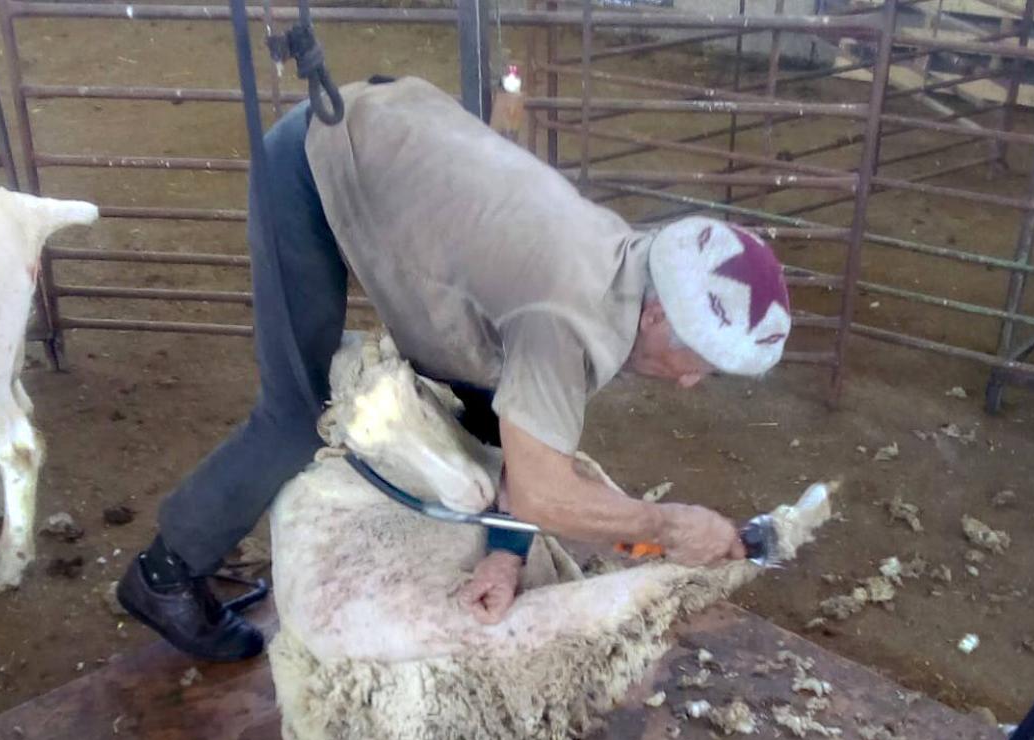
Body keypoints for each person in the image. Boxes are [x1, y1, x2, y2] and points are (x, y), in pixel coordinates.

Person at [115, 75, 792, 662]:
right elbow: (541, 491)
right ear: (656, 317)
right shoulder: (569, 314)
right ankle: (166, 573)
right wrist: (666, 525)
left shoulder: (625, 264)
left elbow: (509, 420)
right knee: (298, 414)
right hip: (318, 161)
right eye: (697, 362)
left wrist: (504, 554)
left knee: (475, 399)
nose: (688, 382)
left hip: (394, 141)